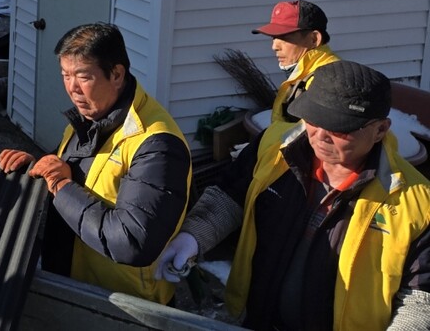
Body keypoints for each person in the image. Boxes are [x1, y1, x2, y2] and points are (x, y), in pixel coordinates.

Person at [156, 59, 430, 331]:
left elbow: (419, 298)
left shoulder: (417, 203)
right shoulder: (273, 148)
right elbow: (230, 197)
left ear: (380, 129)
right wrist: (192, 237)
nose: (320, 135)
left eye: (338, 127)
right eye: (313, 119)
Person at [0, 22, 191, 304]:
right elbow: (73, 174)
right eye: (65, 75)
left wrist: (60, 184)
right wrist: (35, 169)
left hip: (120, 307)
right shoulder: (91, 118)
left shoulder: (157, 145)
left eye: (83, 76)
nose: (72, 88)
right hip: (72, 288)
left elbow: (132, 242)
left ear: (117, 74)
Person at [252, 0, 339, 123]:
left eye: (284, 37)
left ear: (314, 39)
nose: (274, 46)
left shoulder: (325, 81)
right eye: (274, 37)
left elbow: (313, 134)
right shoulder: (305, 74)